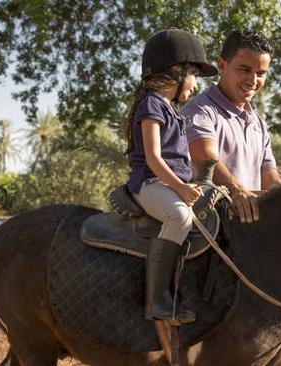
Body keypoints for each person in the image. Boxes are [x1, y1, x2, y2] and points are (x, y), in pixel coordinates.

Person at [124, 29, 217, 324]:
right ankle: (157, 302)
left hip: (169, 184)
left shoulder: (173, 110)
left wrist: (195, 184)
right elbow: (153, 157)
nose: (194, 85)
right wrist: (180, 187)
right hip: (150, 183)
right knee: (179, 217)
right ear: (176, 73)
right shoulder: (151, 105)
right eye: (193, 76)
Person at [183, 29, 281, 224]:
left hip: (249, 229)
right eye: (245, 69)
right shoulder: (200, 109)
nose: (253, 81)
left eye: (261, 73)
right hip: (208, 226)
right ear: (221, 65)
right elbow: (205, 158)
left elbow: (271, 182)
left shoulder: (258, 124)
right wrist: (237, 191)